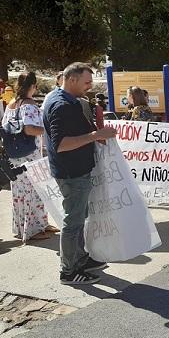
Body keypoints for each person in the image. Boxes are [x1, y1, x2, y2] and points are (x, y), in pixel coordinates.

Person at [43, 62, 118, 285]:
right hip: (71, 173)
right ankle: (68, 271)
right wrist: (95, 135)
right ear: (72, 79)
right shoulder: (61, 105)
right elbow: (61, 144)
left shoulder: (64, 100)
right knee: (73, 222)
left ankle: (79, 259)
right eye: (86, 82)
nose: (89, 87)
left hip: (75, 170)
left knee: (78, 218)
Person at [2, 72, 57, 242]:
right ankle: (33, 230)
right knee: (34, 190)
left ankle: (28, 226)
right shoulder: (29, 104)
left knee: (20, 192)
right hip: (29, 154)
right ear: (32, 86)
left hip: (14, 154)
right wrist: (49, 131)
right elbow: (29, 129)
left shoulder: (11, 104)